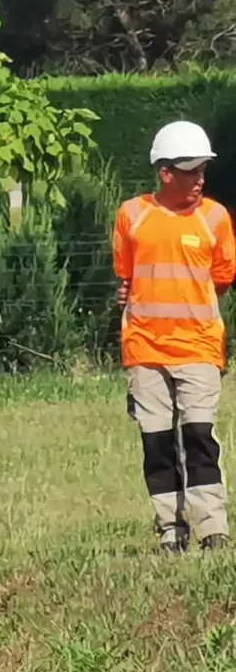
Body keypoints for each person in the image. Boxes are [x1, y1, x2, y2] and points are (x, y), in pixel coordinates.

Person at [113, 121, 235, 553]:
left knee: (200, 437)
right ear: (165, 172)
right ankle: (170, 528)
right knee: (157, 443)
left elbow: (221, 278)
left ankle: (212, 527)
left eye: (202, 169)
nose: (199, 178)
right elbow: (125, 276)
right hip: (145, 351)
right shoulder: (133, 214)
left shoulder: (216, 218)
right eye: (189, 170)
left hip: (199, 348)